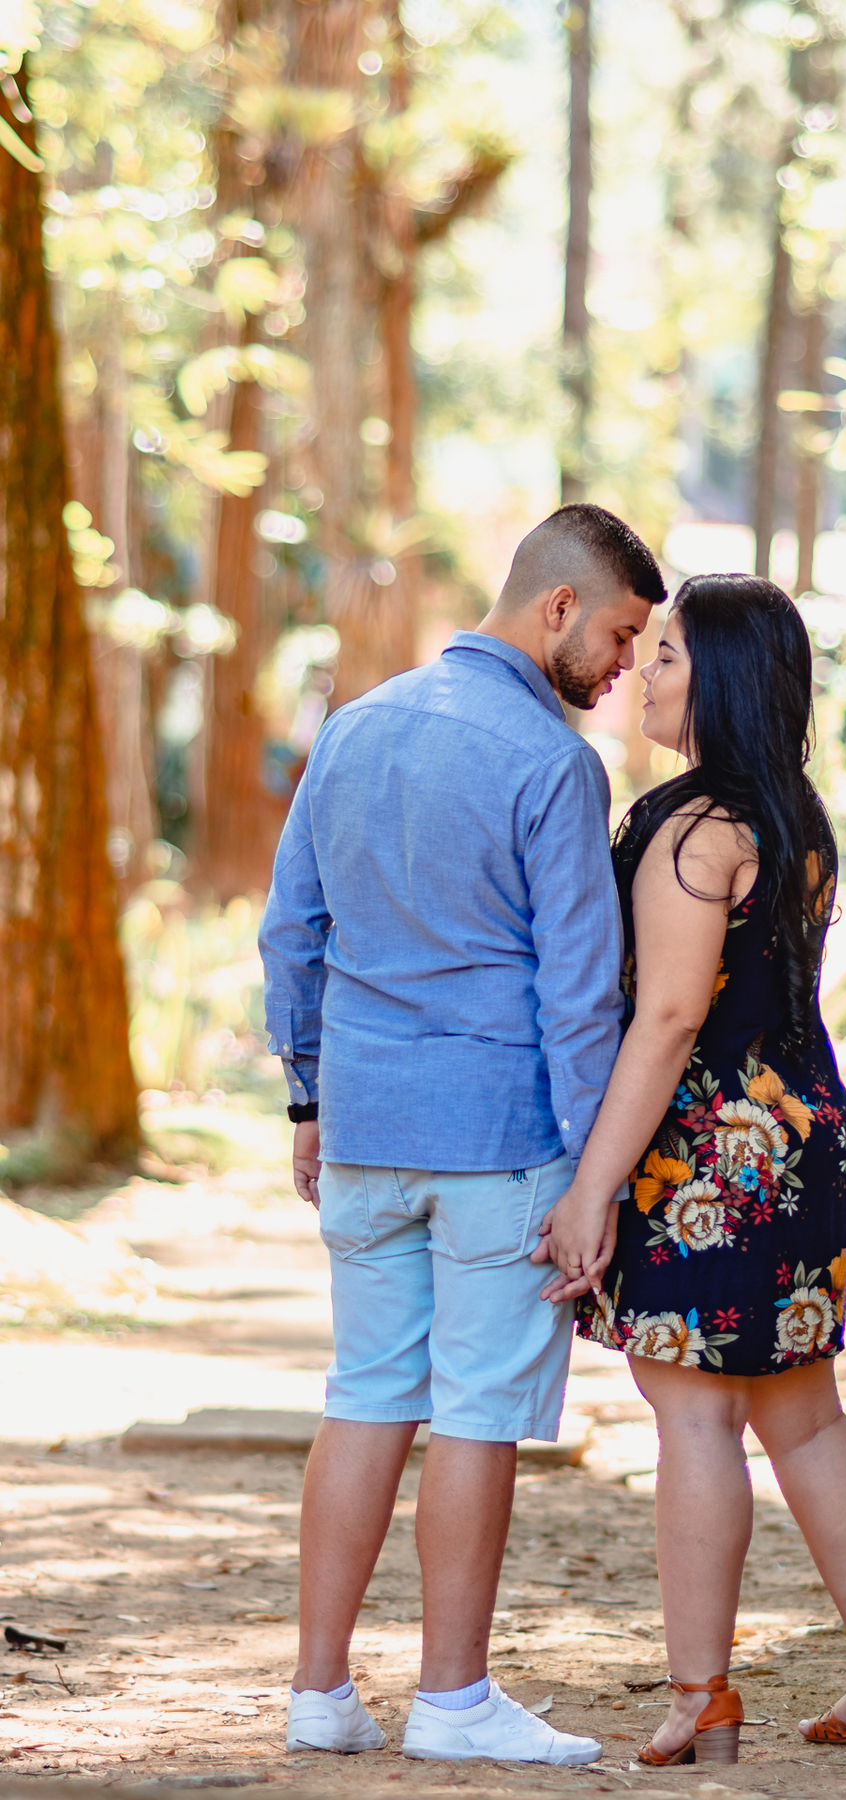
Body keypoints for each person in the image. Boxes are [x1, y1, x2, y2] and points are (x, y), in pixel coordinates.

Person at [259, 504, 665, 1764]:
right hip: (500, 1143)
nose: (626, 667)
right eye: (619, 634)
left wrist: (310, 1097)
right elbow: (579, 994)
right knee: (478, 1411)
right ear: (556, 608)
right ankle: (450, 1699)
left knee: (366, 1396)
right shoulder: (550, 764)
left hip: (368, 1129)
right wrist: (592, 1176)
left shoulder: (355, 725)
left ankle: (320, 1694)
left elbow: (292, 930)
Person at [536, 574, 846, 1763]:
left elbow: (665, 1021)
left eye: (665, 656)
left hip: (707, 1148)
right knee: (806, 1419)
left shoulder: (689, 828)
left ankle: (701, 1694)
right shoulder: (790, 815)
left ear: (718, 677)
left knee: (696, 1425)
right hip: (802, 1129)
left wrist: (593, 1186)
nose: (645, 675)